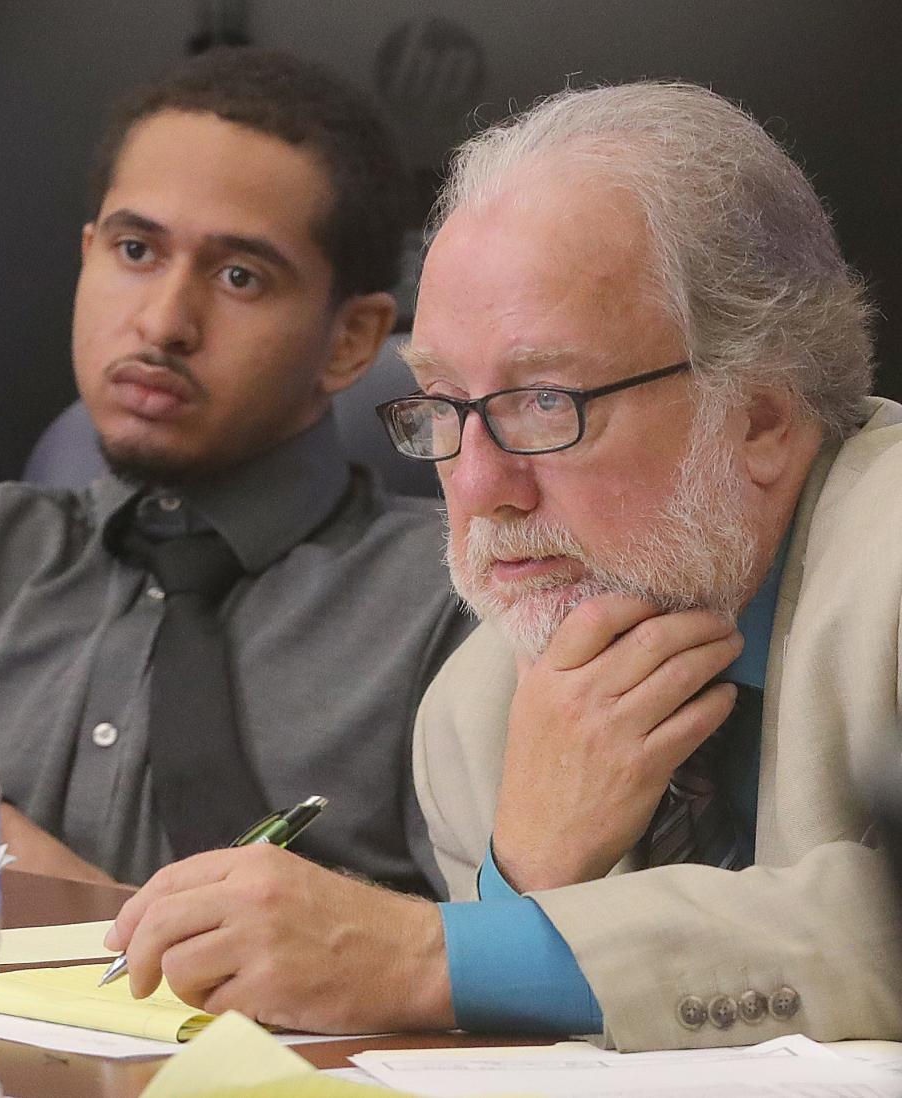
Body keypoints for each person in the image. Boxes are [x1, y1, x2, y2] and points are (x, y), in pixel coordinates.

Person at [105, 82, 902, 1048]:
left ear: (762, 419)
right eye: (441, 404)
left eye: (544, 403)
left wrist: (432, 954)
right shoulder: (483, 710)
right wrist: (524, 870)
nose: (482, 487)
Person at [0, 47, 472, 894]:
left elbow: (489, 958)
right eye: (135, 250)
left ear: (351, 341)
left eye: (239, 276)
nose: (162, 323)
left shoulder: (451, 610)